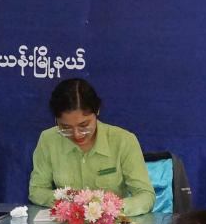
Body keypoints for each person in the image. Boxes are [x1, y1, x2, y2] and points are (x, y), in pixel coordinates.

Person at [27, 79, 155, 216]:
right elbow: (36, 191)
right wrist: (70, 202)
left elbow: (146, 196)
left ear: (97, 111)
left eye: (84, 125)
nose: (77, 135)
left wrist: (109, 209)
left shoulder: (124, 141)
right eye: (65, 127)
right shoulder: (48, 139)